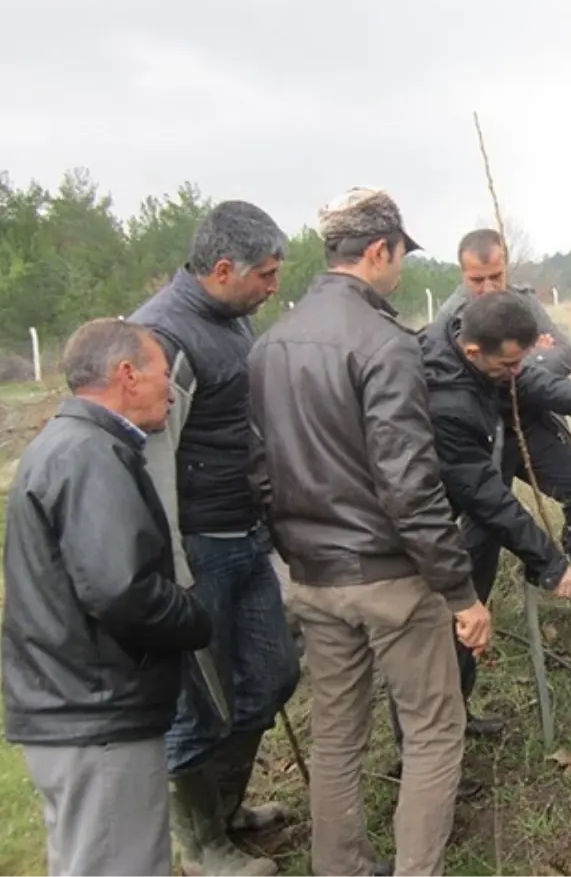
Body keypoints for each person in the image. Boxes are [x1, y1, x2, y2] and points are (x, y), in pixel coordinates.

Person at [248, 186, 491, 877]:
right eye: (400, 257)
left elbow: (259, 473)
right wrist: (460, 592)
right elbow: (410, 485)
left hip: (315, 578)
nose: (402, 271)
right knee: (435, 732)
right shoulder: (385, 344)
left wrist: (297, 555)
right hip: (390, 579)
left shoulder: (269, 346)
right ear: (378, 251)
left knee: (336, 738)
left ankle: (342, 869)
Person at [2, 318, 213, 877]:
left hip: (75, 705)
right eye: (163, 375)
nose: (171, 390)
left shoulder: (75, 445)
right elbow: (122, 590)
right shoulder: (89, 455)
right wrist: (194, 616)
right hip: (95, 713)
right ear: (127, 375)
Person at [129, 201, 301, 877]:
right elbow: (150, 461)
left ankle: (226, 809)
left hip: (244, 535)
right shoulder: (160, 338)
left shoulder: (232, 318)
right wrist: (168, 569)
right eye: (265, 274)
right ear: (223, 269)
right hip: (194, 551)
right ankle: (201, 848)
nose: (273, 286)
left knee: (272, 674)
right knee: (196, 706)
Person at [420, 289, 571, 731]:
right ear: (473, 352)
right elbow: (488, 497)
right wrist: (551, 565)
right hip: (433, 520)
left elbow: (521, 379)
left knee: (473, 589)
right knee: (463, 602)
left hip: (475, 482)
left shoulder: (472, 350)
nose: (517, 372)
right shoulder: (446, 401)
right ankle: (443, 727)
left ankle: (455, 712)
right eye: (509, 364)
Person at [430, 228, 571, 637]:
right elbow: (528, 365)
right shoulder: (449, 321)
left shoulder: (522, 302)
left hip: (528, 423)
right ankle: (472, 612)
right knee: (488, 521)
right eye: (478, 280)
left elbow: (560, 354)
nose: (489, 289)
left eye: (496, 277)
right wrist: (526, 360)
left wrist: (520, 366)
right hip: (480, 436)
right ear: (463, 274)